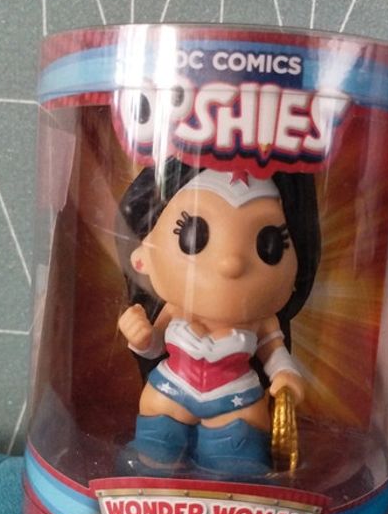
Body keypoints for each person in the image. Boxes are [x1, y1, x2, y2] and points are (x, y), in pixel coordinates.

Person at [117, 159, 320, 478]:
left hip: (235, 403)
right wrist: (141, 338)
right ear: (142, 257)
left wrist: (286, 378)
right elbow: (155, 346)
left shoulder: (261, 321)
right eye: (192, 235)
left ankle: (232, 480)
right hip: (169, 393)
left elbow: (275, 354)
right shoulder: (175, 309)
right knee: (152, 457)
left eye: (269, 245)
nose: (231, 263)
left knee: (235, 468)